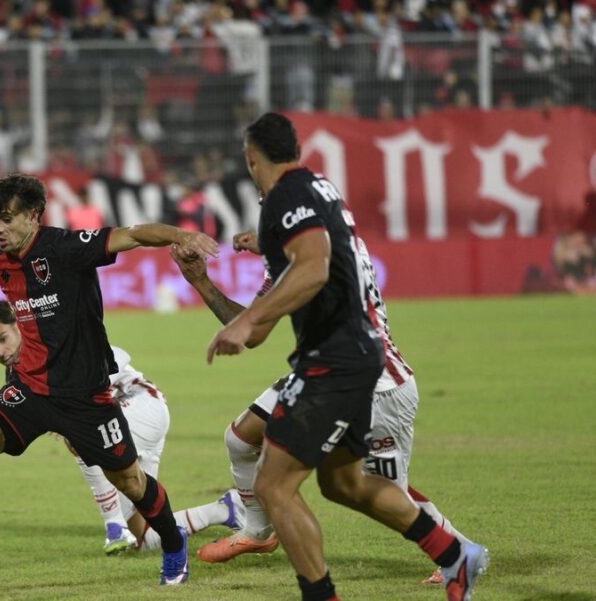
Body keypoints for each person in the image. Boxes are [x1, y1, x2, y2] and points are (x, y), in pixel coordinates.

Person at [0, 173, 220, 585]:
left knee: (130, 481)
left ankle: (173, 543)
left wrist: (181, 235)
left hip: (85, 398)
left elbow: (132, 235)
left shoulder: (66, 248)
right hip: (29, 390)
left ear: (33, 215)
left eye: (7, 218)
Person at [203, 113, 488, 601]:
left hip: (334, 360)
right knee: (343, 483)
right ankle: (453, 553)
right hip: (358, 354)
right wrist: (249, 280)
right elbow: (303, 273)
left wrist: (247, 320)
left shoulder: (286, 196)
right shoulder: (318, 187)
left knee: (274, 486)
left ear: (251, 158)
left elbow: (313, 267)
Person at [170, 230, 473, 584]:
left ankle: (459, 550)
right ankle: (258, 529)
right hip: (322, 376)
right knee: (241, 438)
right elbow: (253, 326)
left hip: (375, 383)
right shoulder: (297, 248)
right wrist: (203, 281)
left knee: (382, 491)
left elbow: (315, 265)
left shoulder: (322, 243)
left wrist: (268, 247)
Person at [0, 300, 245, 555]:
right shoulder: (17, 374)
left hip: (140, 402)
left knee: (79, 431)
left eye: (2, 339)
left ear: (19, 324)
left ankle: (114, 526)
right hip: (131, 419)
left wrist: (81, 393)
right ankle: (225, 510)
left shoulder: (50, 342)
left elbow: (119, 355)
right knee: (144, 535)